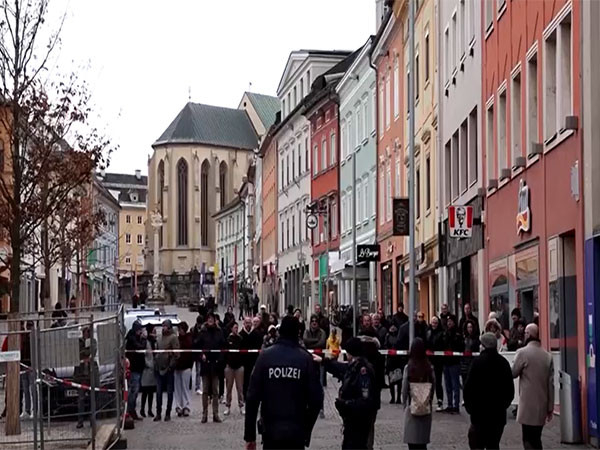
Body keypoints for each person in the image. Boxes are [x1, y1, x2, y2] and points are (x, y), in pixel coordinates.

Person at [244, 316, 323, 450]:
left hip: (271, 430)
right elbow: (317, 398)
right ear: (298, 333)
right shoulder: (305, 359)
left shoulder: (265, 357)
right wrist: (306, 427)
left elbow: (252, 398)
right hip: (296, 431)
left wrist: (250, 436)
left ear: (280, 332)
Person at [322, 337, 378, 449]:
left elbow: (365, 400)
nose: (346, 356)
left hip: (359, 421)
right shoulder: (354, 367)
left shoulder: (363, 371)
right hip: (351, 421)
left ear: (351, 353)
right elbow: (341, 368)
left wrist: (346, 404)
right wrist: (324, 362)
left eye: (347, 353)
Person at [464, 333, 514, 449]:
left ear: (484, 345)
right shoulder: (503, 363)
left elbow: (468, 388)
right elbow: (510, 390)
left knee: (477, 444)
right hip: (498, 415)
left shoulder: (477, 362)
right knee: (493, 444)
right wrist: (503, 406)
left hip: (479, 415)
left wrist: (470, 408)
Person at [512, 324, 554, 450]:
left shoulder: (522, 353)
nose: (524, 335)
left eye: (525, 332)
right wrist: (550, 407)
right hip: (541, 405)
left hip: (527, 405)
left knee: (527, 438)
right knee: (537, 437)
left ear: (528, 334)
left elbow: (513, 373)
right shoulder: (547, 356)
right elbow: (550, 384)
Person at [401, 338, 434, 450]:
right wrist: (429, 401)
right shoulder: (429, 368)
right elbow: (433, 386)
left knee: (412, 443)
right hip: (425, 408)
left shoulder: (408, 368)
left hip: (412, 406)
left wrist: (405, 404)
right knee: (422, 444)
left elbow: (404, 389)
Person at [194, 312, 226, 423]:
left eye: (212, 319)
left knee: (215, 391)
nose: (211, 320)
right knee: (206, 391)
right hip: (205, 365)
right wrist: (201, 355)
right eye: (209, 319)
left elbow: (223, 347)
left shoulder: (219, 332)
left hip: (216, 365)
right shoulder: (203, 332)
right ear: (207, 320)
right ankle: (204, 414)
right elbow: (196, 346)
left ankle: (215, 414)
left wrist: (220, 359)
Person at [154, 319, 179, 422]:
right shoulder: (159, 338)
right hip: (159, 368)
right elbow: (157, 350)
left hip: (168, 369)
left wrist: (171, 365)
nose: (163, 328)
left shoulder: (173, 338)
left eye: (165, 326)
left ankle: (168, 413)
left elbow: (176, 354)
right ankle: (158, 413)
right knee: (158, 392)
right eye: (162, 326)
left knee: (169, 392)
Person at [75, 326, 98, 428]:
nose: (86, 334)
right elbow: (78, 353)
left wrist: (86, 353)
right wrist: (85, 353)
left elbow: (93, 351)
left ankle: (92, 420)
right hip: (81, 375)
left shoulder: (93, 341)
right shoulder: (78, 342)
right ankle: (80, 420)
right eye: (85, 332)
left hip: (91, 374)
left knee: (93, 398)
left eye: (88, 332)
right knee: (81, 399)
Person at [125, 320, 147, 421]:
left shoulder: (134, 337)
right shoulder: (132, 338)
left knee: (135, 390)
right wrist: (144, 340)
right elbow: (140, 347)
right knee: (133, 390)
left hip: (138, 367)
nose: (140, 332)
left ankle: (131, 410)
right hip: (134, 368)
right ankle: (130, 410)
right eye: (139, 330)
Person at [442, 315, 464, 413]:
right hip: (446, 362)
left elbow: (461, 347)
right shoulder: (445, 333)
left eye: (451, 321)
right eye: (448, 321)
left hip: (454, 363)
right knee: (448, 385)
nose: (449, 323)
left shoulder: (457, 335)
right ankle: (450, 404)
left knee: (455, 385)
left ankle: (456, 405)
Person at [224, 322, 245, 416]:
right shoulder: (228, 339)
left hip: (239, 366)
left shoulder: (241, 339)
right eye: (235, 327)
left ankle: (241, 406)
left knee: (240, 388)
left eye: (237, 327)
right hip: (230, 366)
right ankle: (228, 406)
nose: (236, 329)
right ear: (231, 329)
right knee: (228, 387)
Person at [425, 316, 445, 411]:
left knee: (438, 381)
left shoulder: (441, 333)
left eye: (436, 322)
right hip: (429, 360)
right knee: (428, 382)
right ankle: (428, 400)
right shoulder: (427, 332)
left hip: (438, 361)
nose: (434, 324)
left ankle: (440, 401)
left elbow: (442, 345)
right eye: (433, 322)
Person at [174, 321, 194, 417]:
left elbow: (190, 353)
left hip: (186, 366)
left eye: (180, 329)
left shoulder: (188, 339)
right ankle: (178, 406)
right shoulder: (176, 339)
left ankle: (186, 406)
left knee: (185, 388)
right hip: (177, 367)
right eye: (178, 329)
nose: (179, 331)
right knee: (177, 388)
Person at [140, 324, 157, 418]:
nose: (155, 333)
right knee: (145, 391)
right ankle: (142, 409)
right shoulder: (145, 342)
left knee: (151, 391)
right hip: (147, 369)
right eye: (154, 331)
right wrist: (147, 364)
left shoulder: (154, 341)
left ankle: (150, 409)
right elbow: (144, 355)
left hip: (153, 369)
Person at [385, 324, 402, 404]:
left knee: (399, 380)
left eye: (394, 327)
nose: (393, 328)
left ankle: (398, 397)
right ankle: (392, 397)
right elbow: (385, 346)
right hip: (390, 360)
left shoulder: (399, 336)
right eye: (391, 327)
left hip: (398, 360)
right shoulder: (387, 336)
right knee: (391, 380)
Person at [461, 320, 481, 390]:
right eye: (468, 327)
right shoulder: (463, 339)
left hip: (473, 362)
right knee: (465, 382)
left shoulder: (476, 339)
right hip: (464, 363)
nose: (470, 329)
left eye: (471, 327)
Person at [191, 314, 204, 395]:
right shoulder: (193, 330)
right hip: (193, 353)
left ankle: (197, 387)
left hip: (199, 354)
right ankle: (190, 385)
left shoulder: (203, 330)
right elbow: (192, 341)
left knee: (198, 371)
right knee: (190, 370)